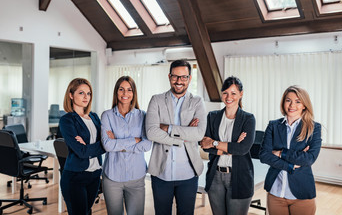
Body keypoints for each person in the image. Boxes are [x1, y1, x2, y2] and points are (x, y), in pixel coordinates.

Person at [145, 60, 207, 215]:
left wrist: (168, 128)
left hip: (188, 174)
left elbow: (198, 134)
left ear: (190, 78)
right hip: (161, 173)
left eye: (184, 77)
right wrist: (184, 137)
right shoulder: (156, 100)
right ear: (169, 76)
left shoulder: (197, 102)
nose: (179, 81)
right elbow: (151, 132)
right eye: (175, 76)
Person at [259, 85, 322, 215]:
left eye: (298, 101)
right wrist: (290, 165)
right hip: (275, 192)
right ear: (283, 102)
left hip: (302, 194)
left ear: (304, 105)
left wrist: (281, 153)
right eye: (288, 100)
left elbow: (309, 158)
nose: (292, 105)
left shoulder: (314, 128)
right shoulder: (273, 125)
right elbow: (264, 155)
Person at [200, 76, 256, 215]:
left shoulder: (248, 119)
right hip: (215, 176)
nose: (228, 97)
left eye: (233, 93)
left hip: (239, 177)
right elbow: (204, 146)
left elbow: (243, 149)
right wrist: (231, 147)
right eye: (225, 93)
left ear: (241, 94)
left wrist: (215, 143)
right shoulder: (212, 117)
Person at [100, 76, 152, 215]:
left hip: (136, 176)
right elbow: (107, 146)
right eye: (121, 89)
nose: (125, 94)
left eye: (129, 90)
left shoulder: (143, 115)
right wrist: (134, 140)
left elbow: (147, 145)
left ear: (134, 93)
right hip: (112, 177)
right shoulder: (107, 116)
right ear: (116, 92)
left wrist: (117, 141)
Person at [59, 78, 105, 215]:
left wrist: (91, 146)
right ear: (71, 95)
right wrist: (100, 144)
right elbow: (81, 152)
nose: (86, 97)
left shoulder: (94, 117)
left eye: (89, 93)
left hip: (95, 175)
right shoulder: (67, 120)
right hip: (75, 177)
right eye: (81, 93)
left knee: (87, 211)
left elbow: (107, 143)